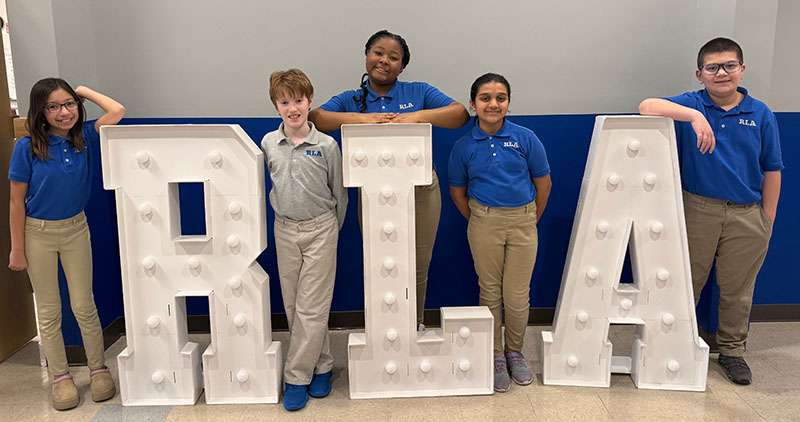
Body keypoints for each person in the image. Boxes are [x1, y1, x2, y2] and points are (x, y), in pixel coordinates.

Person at [639, 37, 783, 385]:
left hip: (748, 214)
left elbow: (773, 168)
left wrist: (767, 219)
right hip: (698, 209)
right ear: (700, 74)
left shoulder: (760, 113)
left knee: (737, 289)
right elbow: (646, 105)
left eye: (730, 65)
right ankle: (676, 346)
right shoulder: (693, 104)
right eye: (713, 67)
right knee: (686, 283)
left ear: (742, 70)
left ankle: (732, 352)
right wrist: (693, 116)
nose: (722, 73)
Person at [309, 30, 469, 330]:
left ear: (402, 66)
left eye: (394, 57)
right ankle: (384, 329)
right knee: (379, 262)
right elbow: (316, 118)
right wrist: (363, 118)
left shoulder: (418, 91)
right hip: (373, 195)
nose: (384, 60)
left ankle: (415, 324)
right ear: (367, 55)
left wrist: (414, 117)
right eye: (378, 53)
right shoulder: (351, 98)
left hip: (421, 192)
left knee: (418, 264)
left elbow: (458, 114)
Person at [8, 78, 125, 410]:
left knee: (84, 305)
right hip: (37, 233)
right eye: (54, 106)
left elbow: (117, 110)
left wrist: (84, 90)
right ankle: (60, 377)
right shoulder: (27, 146)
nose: (64, 112)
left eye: (69, 104)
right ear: (41, 111)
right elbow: (16, 202)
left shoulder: (84, 136)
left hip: (76, 229)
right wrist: (17, 248)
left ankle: (98, 369)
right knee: (48, 310)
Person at [448, 73, 551, 392]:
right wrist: (481, 218)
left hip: (523, 221)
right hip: (483, 222)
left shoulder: (525, 138)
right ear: (473, 104)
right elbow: (458, 192)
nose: (493, 104)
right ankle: (494, 355)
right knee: (490, 291)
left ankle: (515, 352)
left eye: (500, 98)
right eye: (485, 98)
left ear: (508, 102)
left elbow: (543, 183)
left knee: (518, 295)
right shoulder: (463, 146)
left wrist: (529, 217)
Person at [262, 69, 347, 411]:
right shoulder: (269, 143)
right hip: (285, 229)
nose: (292, 108)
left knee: (312, 307)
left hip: (321, 229)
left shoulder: (326, 145)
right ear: (276, 106)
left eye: (298, 100)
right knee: (296, 306)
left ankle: (296, 376)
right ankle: (323, 365)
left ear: (310, 102)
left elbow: (339, 194)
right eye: (285, 102)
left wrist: (330, 231)